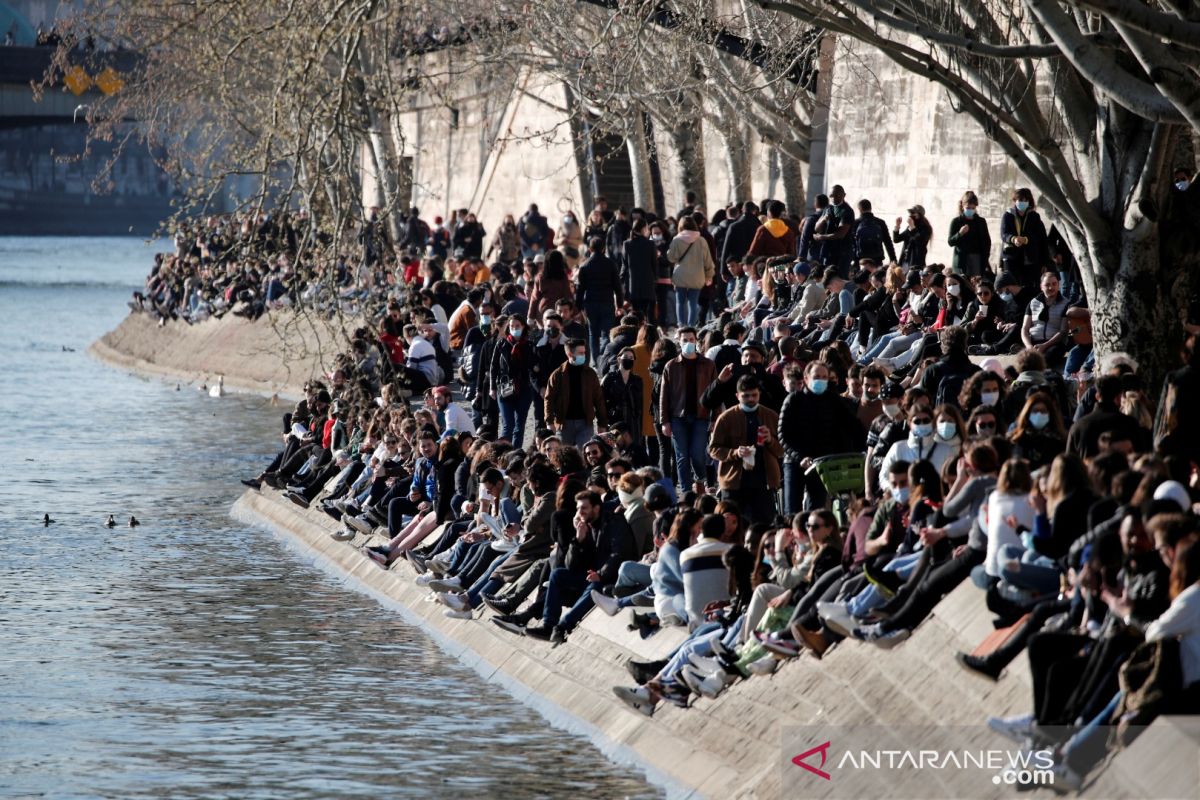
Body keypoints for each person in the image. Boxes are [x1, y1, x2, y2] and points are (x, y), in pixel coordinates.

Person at [521, 490, 637, 643]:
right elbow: (571, 566)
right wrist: (578, 541)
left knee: (594, 584)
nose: (579, 512)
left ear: (596, 508)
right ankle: (548, 625)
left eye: (584, 508)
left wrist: (601, 574)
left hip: (611, 576)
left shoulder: (614, 522)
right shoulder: (585, 526)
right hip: (591, 575)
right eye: (578, 508)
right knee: (557, 575)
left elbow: (619, 554)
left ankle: (562, 626)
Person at [778, 360, 866, 514]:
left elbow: (853, 426)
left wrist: (868, 447)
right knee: (792, 512)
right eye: (816, 376)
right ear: (806, 378)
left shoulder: (833, 400)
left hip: (822, 464)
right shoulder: (793, 400)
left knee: (817, 510)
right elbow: (783, 435)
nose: (820, 380)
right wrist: (800, 457)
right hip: (795, 462)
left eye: (824, 377)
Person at [708, 375, 785, 523]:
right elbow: (714, 449)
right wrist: (735, 453)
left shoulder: (771, 416)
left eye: (754, 395)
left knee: (764, 526)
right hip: (734, 483)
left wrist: (770, 440)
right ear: (737, 396)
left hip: (764, 482)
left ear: (759, 394)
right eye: (746, 396)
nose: (751, 399)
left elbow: (782, 450)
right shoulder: (726, 418)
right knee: (731, 527)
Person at [659, 327, 716, 492]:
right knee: (682, 457)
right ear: (679, 342)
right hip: (678, 417)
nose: (689, 343)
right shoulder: (671, 366)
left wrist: (714, 418)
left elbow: (715, 393)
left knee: (698, 454)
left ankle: (701, 478)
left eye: (691, 339)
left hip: (701, 416)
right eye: (685, 340)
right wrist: (665, 421)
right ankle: (686, 492)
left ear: (696, 341)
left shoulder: (708, 364)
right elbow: (664, 396)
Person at [545, 339, 608, 448]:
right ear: (570, 354)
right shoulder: (558, 375)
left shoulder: (590, 374)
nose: (583, 355)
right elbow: (549, 399)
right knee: (563, 457)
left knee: (584, 455)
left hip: (585, 424)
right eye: (580, 353)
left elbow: (598, 399)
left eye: (584, 352)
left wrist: (602, 423)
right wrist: (549, 422)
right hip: (563, 424)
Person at [576, 237, 624, 359]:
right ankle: (604, 357)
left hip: (590, 303)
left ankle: (596, 359)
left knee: (593, 333)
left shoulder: (584, 266)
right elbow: (618, 287)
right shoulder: (610, 264)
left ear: (590, 248)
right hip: (607, 302)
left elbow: (580, 289)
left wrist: (578, 306)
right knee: (607, 332)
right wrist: (619, 305)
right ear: (603, 248)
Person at [492, 315, 536, 445]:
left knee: (519, 425)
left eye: (517, 326)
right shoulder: (501, 344)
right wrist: (492, 388)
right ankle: (504, 453)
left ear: (523, 327)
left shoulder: (529, 345)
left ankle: (516, 454)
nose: (514, 328)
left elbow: (533, 365)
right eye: (512, 326)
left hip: (524, 388)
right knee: (508, 425)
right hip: (505, 387)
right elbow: (493, 367)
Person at [668, 217, 716, 327]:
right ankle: (691, 326)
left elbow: (671, 258)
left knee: (680, 302)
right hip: (697, 277)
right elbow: (708, 260)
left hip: (680, 276)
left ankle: (681, 325)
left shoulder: (676, 239)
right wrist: (709, 275)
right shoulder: (701, 240)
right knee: (693, 303)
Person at [1000, 187, 1048, 291]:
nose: (1023, 203)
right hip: (1012, 256)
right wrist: (1013, 239)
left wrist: (1026, 240)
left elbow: (1041, 237)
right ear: (1015, 201)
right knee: (1012, 286)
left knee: (1029, 287)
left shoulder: (1034, 216)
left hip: (1029, 258)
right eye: (1020, 200)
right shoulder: (1008, 215)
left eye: (1025, 200)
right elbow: (1004, 234)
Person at [602, 347, 644, 443]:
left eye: (631, 357)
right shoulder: (609, 378)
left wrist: (640, 427)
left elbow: (640, 405)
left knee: (632, 452)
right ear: (619, 359)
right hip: (614, 423)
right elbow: (601, 402)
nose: (629, 359)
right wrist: (603, 423)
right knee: (614, 451)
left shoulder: (637, 380)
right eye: (626, 357)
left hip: (633, 424)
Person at [947, 190, 992, 277]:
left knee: (975, 285)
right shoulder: (956, 221)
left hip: (977, 259)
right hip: (961, 260)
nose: (970, 210)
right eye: (968, 208)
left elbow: (987, 241)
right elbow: (950, 242)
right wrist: (960, 233)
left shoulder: (981, 221)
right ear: (963, 206)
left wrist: (985, 259)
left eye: (973, 208)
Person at [622, 219, 658, 321]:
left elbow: (624, 266)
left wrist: (622, 281)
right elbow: (654, 264)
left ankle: (638, 335)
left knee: (637, 315)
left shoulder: (627, 244)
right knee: (650, 315)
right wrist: (655, 278)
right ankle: (650, 335)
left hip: (633, 286)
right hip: (648, 285)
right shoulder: (650, 244)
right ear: (643, 228)